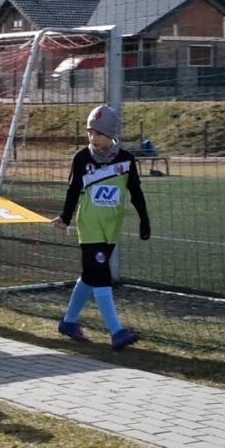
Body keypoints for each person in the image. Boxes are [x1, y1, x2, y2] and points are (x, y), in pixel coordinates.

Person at [52, 105, 150, 351]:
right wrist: (65, 216)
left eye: (99, 133)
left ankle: (68, 322)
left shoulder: (126, 160)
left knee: (90, 276)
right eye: (90, 133)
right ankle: (116, 332)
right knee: (102, 276)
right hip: (90, 228)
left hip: (111, 228)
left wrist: (144, 219)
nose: (93, 138)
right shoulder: (82, 158)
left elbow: (135, 192)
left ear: (112, 134)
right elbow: (73, 191)